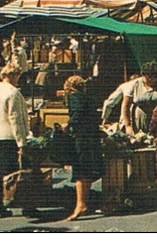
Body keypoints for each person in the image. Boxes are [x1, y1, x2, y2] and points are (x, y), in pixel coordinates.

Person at [0, 64, 29, 218]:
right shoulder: (13, 93)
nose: (19, 79)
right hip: (11, 137)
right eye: (17, 76)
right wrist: (22, 142)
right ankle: (26, 206)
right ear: (11, 75)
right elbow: (15, 119)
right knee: (22, 172)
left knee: (0, 172)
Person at [63, 75, 103, 221]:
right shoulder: (88, 98)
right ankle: (83, 203)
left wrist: (68, 125)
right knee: (87, 171)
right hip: (92, 137)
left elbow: (78, 113)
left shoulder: (74, 96)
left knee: (79, 170)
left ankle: (80, 204)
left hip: (82, 138)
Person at [121, 61, 157, 135]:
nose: (151, 80)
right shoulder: (134, 84)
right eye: (149, 77)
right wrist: (128, 125)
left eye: (154, 77)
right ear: (143, 75)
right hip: (139, 119)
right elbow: (126, 106)